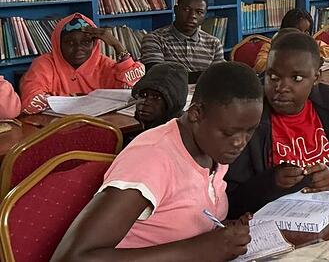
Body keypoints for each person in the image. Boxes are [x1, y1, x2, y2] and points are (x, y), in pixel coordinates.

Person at [52, 62, 264, 261]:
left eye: (249, 131)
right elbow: (72, 257)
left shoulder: (214, 149)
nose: (240, 142)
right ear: (196, 114)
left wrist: (223, 234)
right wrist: (200, 250)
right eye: (229, 132)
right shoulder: (151, 159)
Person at [226, 31, 329, 217]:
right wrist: (271, 182)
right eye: (273, 76)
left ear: (315, 78)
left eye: (297, 78)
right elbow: (231, 201)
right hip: (275, 224)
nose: (281, 88)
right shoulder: (250, 115)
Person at [19, 13, 146, 114]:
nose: (78, 48)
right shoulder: (44, 64)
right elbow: (30, 102)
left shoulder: (103, 63)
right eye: (70, 43)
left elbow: (135, 90)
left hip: (102, 125)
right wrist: (78, 100)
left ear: (94, 44)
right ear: (58, 44)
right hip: (56, 129)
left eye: (86, 42)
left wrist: (117, 46)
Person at [140, 0, 224, 81]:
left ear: (205, 15)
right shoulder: (154, 39)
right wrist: (206, 76)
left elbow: (218, 79)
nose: (192, 16)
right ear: (176, 10)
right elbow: (157, 76)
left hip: (204, 95)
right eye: (186, 10)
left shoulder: (214, 43)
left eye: (199, 12)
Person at [253, 10, 329, 74]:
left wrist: (306, 56)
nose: (302, 35)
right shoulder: (270, 46)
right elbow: (260, 65)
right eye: (298, 31)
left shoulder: (314, 44)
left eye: (307, 32)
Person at [132, 61, 189, 131]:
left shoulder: (182, 133)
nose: (145, 102)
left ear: (173, 101)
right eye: (143, 95)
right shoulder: (141, 127)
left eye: (156, 97)